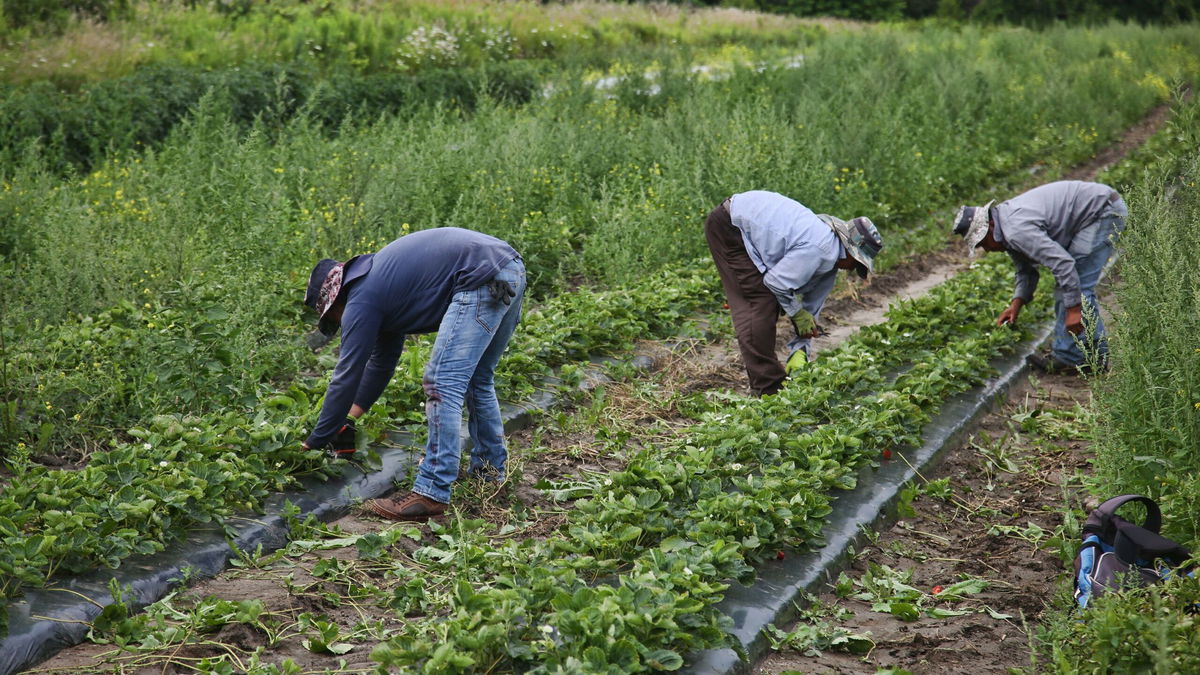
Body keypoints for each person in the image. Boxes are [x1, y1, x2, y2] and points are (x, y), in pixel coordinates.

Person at [301, 227, 525, 521]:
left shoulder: (362, 299)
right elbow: (381, 363)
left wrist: (316, 440)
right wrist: (347, 419)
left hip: (480, 277)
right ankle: (489, 475)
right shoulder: (380, 287)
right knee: (477, 379)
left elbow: (347, 373)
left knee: (442, 382)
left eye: (333, 319)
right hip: (507, 269)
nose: (342, 324)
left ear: (335, 300)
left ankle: (431, 492)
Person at [705, 190, 883, 396]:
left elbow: (811, 310)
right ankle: (768, 388)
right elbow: (777, 283)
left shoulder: (830, 261)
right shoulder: (820, 248)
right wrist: (796, 313)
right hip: (731, 226)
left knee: (768, 298)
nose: (851, 269)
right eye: (856, 263)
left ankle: (770, 382)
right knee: (758, 302)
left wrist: (801, 348)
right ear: (851, 252)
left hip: (745, 227)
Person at [952, 180, 1126, 374]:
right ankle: (1089, 357)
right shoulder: (1005, 226)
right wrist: (1016, 304)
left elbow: (1064, 264)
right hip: (1095, 211)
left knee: (1076, 284)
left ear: (990, 227)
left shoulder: (1017, 230)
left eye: (984, 242)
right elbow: (1025, 270)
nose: (987, 249)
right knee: (1070, 286)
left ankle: (1076, 358)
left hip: (1102, 213)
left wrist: (1074, 310)